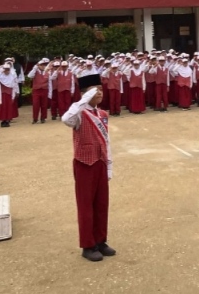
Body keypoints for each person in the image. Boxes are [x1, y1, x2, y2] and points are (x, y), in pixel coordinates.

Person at [62, 73, 115, 262]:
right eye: (95, 90)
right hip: (85, 163)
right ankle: (88, 244)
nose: (100, 93)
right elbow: (66, 119)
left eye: (101, 89)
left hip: (100, 162)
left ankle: (101, 240)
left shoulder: (103, 114)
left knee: (102, 204)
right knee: (86, 206)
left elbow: (107, 141)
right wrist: (83, 100)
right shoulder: (78, 113)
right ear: (85, 93)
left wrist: (110, 164)